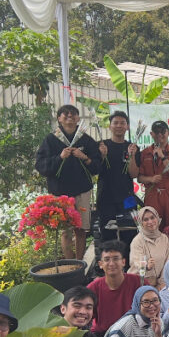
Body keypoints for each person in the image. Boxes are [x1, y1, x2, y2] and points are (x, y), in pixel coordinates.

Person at [35, 104, 101, 259]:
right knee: (65, 231)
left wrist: (84, 157)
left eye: (73, 114)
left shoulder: (86, 140)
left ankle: (80, 263)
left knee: (81, 229)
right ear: (59, 118)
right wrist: (60, 157)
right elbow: (41, 165)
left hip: (82, 191)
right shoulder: (51, 140)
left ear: (78, 118)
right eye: (65, 114)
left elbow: (97, 166)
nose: (69, 116)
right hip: (61, 193)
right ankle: (70, 264)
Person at [95, 110, 139, 232]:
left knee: (129, 232)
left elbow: (134, 174)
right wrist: (102, 156)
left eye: (122, 123)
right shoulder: (101, 146)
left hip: (127, 198)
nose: (119, 125)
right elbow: (94, 171)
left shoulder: (132, 147)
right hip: (105, 197)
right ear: (110, 126)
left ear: (127, 127)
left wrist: (132, 156)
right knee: (107, 233)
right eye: (115, 123)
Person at [88, 240, 143, 337]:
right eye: (107, 259)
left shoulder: (139, 283)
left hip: (133, 334)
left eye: (116, 259)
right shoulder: (93, 288)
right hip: (102, 335)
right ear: (100, 264)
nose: (111, 263)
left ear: (123, 262)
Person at [137, 120, 169, 229]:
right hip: (152, 195)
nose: (160, 135)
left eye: (162, 132)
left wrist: (163, 157)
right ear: (151, 134)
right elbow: (139, 178)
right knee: (152, 227)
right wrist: (150, 179)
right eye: (156, 132)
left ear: (168, 133)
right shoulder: (144, 153)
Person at [128, 206, 169, 288]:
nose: (150, 222)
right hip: (139, 283)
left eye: (152, 218)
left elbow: (166, 262)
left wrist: (162, 283)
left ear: (157, 218)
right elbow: (136, 263)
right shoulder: (137, 241)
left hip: (158, 284)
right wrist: (146, 266)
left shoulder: (164, 238)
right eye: (145, 219)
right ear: (141, 223)